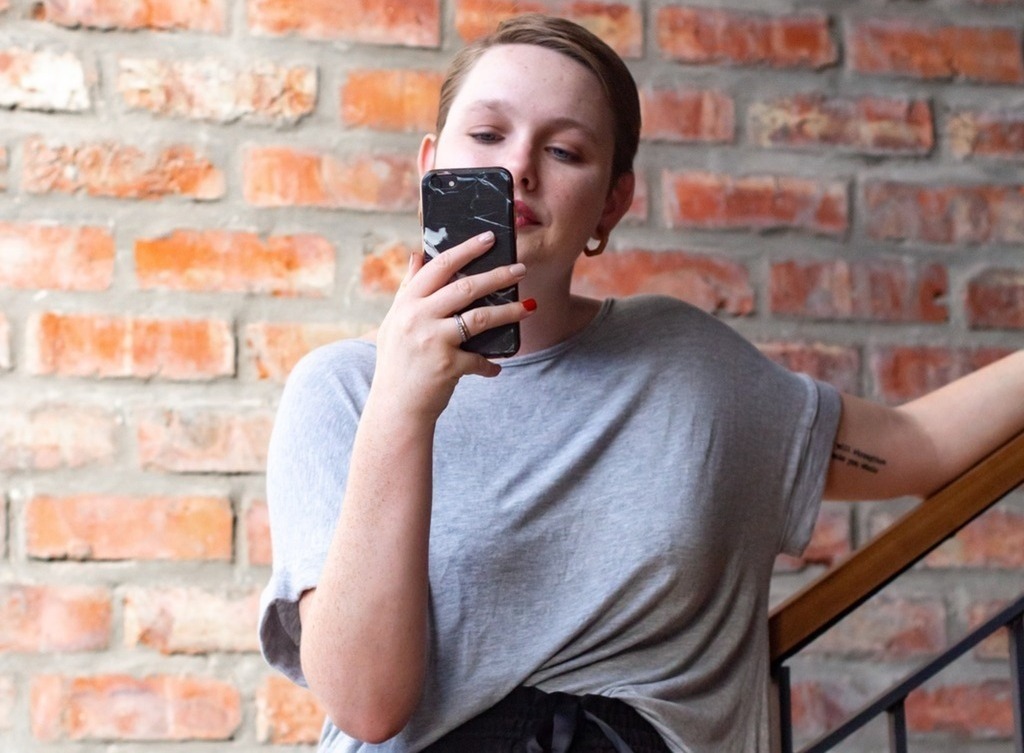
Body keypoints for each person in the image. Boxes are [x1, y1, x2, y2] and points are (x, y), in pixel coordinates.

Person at [258, 14, 1024, 753]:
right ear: (431, 167)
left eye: (565, 151)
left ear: (612, 203)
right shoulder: (342, 392)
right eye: (488, 135)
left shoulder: (688, 368)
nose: (519, 165)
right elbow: (367, 703)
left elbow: (915, 447)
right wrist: (403, 403)